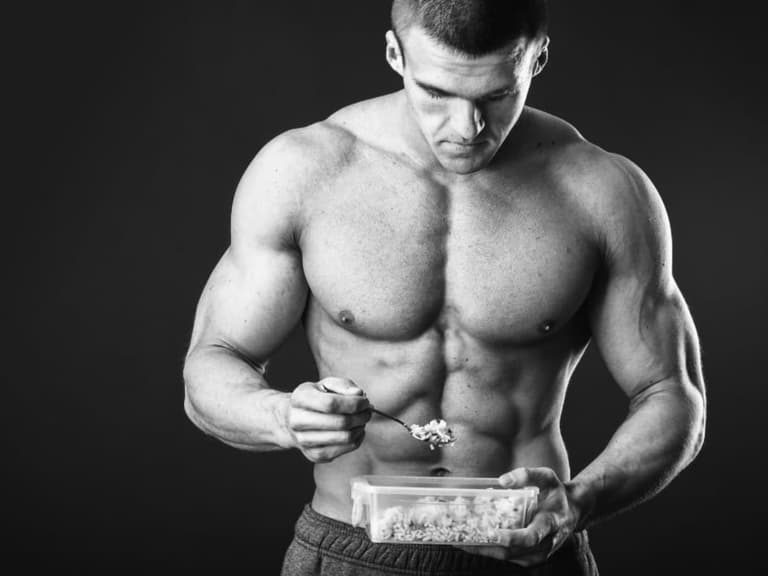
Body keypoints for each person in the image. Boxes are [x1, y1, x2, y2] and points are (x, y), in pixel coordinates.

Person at [182, 1, 707, 574]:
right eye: (436, 92)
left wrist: (579, 503)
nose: (466, 129)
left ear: (537, 59)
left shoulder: (602, 193)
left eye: (495, 96)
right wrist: (284, 416)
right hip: (351, 548)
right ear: (394, 54)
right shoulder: (302, 173)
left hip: (529, 551)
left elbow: (672, 395)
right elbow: (210, 367)